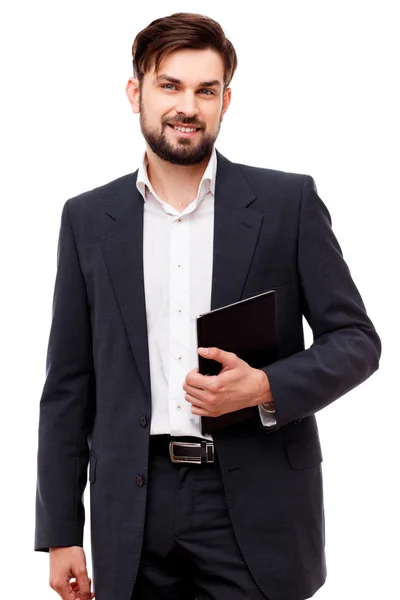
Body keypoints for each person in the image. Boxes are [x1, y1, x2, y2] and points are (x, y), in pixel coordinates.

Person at [34, 11, 381, 600]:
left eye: (206, 90)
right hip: (133, 508)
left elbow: (356, 340)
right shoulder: (87, 220)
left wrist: (265, 387)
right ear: (135, 92)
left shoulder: (287, 202)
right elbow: (68, 386)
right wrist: (61, 530)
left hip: (257, 500)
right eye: (169, 85)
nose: (187, 106)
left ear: (226, 101)